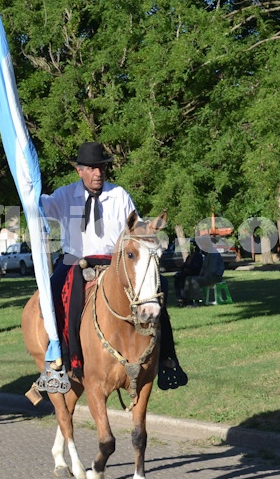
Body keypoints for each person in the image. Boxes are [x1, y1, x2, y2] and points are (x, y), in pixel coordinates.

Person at [38, 141, 185, 393]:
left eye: (102, 168)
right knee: (52, 292)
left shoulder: (119, 195)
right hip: (76, 259)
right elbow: (38, 206)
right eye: (92, 168)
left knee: (162, 285)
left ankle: (167, 357)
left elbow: (135, 228)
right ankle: (62, 357)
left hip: (113, 261)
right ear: (80, 171)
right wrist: (28, 187)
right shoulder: (64, 195)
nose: (98, 173)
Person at [174, 240, 204, 307]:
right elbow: (185, 266)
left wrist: (185, 266)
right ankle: (180, 298)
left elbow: (196, 267)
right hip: (187, 273)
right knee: (177, 278)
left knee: (183, 279)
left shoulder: (197, 256)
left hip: (194, 273)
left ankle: (185, 299)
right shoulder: (189, 256)